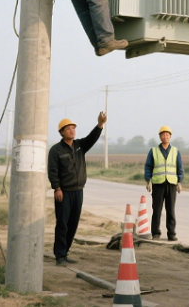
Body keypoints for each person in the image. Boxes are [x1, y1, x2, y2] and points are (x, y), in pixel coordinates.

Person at [47, 112, 107, 265]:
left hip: (78, 191)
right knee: (62, 224)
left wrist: (100, 125)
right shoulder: (56, 150)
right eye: (68, 129)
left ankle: (65, 253)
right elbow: (52, 171)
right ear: (61, 132)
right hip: (64, 192)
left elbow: (92, 138)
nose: (71, 130)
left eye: (73, 128)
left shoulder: (80, 146)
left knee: (73, 224)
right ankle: (59, 256)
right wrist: (57, 188)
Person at [144, 125, 184, 241]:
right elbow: (148, 167)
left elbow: (179, 167)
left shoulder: (176, 151)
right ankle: (155, 233)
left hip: (171, 184)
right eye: (163, 134)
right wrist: (148, 180)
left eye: (167, 134)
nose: (165, 136)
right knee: (157, 209)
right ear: (160, 137)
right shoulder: (153, 151)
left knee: (170, 210)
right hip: (158, 184)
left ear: (170, 136)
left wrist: (179, 181)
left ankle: (171, 233)